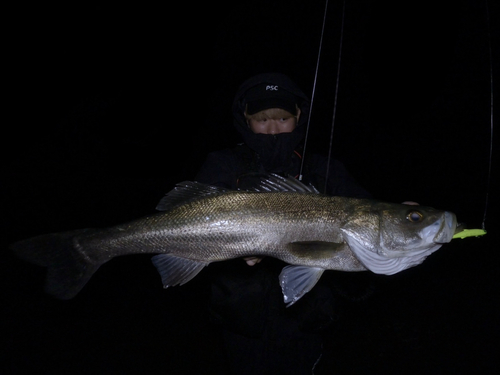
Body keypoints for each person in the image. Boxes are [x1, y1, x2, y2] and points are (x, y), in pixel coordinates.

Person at [195, 73, 372, 375]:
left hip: (307, 321)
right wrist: (237, 254)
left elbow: (367, 217)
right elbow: (194, 221)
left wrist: (405, 216)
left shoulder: (324, 168)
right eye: (262, 119)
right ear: (245, 118)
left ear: (299, 115)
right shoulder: (224, 164)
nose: (273, 129)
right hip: (240, 321)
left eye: (282, 118)